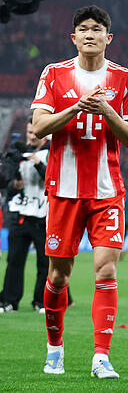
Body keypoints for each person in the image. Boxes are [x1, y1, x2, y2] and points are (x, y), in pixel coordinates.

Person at [30, 5, 128, 379]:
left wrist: (106, 109)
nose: (90, 34)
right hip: (63, 190)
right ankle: (55, 349)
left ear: (109, 38)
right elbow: (40, 126)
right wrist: (76, 108)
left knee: (106, 269)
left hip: (107, 190)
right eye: (84, 29)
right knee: (59, 276)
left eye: (98, 29)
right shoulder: (55, 74)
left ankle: (101, 356)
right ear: (74, 37)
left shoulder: (126, 78)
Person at [0, 119, 49, 314]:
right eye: (29, 132)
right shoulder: (17, 155)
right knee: (14, 261)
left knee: (44, 263)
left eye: (36, 132)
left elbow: (53, 180)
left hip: (43, 216)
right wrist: (14, 185)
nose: (32, 136)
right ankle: (9, 301)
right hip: (20, 214)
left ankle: (41, 302)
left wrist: (37, 164)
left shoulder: (52, 153)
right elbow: (6, 184)